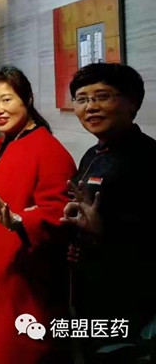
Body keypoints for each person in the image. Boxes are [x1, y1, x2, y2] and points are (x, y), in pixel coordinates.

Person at [0, 66, 75, 363]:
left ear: (27, 98)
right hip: (2, 270)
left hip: (29, 278)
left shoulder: (47, 149)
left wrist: (19, 221)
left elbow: (59, 214)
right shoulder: (3, 143)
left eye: (6, 99)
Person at [61, 63, 156, 363]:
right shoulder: (93, 153)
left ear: (132, 102)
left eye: (103, 96)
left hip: (132, 304)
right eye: (82, 99)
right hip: (90, 295)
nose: (91, 107)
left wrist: (103, 232)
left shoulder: (148, 158)